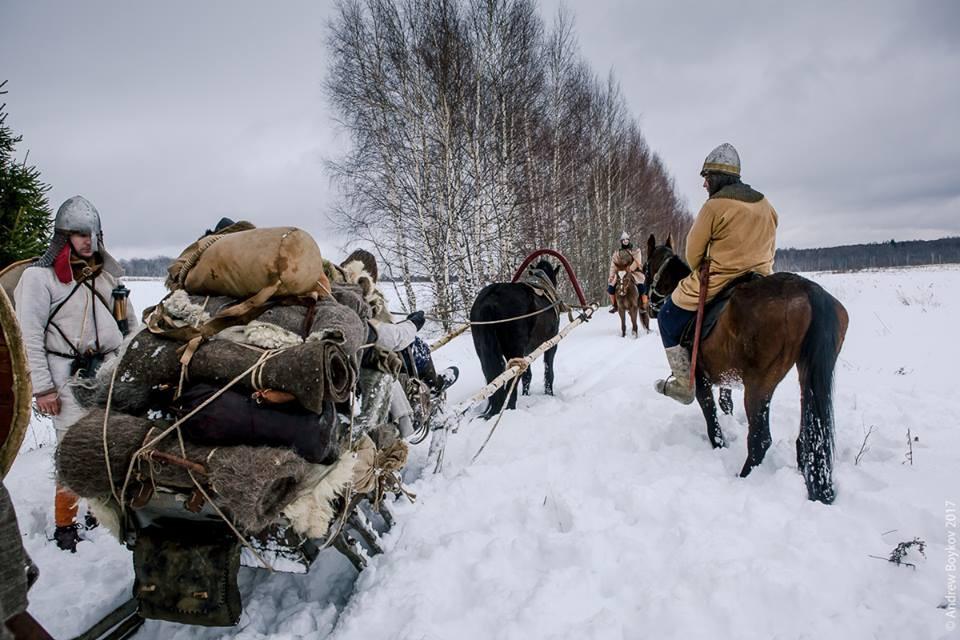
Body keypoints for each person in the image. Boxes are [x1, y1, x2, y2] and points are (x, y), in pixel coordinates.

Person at [13, 196, 138, 551]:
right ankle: (65, 524)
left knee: (103, 444)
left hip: (106, 372)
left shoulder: (108, 278)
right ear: (63, 237)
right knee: (71, 448)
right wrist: (43, 388)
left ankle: (96, 512)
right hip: (65, 375)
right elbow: (29, 336)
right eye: (78, 234)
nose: (86, 241)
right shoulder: (40, 279)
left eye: (91, 234)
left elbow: (129, 327)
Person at [654, 143, 778, 404]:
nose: (705, 184)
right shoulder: (766, 204)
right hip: (762, 282)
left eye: (707, 178)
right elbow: (771, 247)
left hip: (720, 280)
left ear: (719, 177)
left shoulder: (714, 206)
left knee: (666, 316)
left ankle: (683, 385)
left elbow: (692, 254)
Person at [606, 231, 647, 313]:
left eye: (627, 239)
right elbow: (613, 265)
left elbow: (637, 261)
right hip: (620, 273)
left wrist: (629, 269)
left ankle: (643, 305)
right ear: (621, 241)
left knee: (642, 287)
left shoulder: (635, 250)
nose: (625, 241)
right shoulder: (617, 253)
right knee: (611, 288)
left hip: (634, 273)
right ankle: (615, 305)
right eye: (623, 240)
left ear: (629, 240)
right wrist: (611, 276)